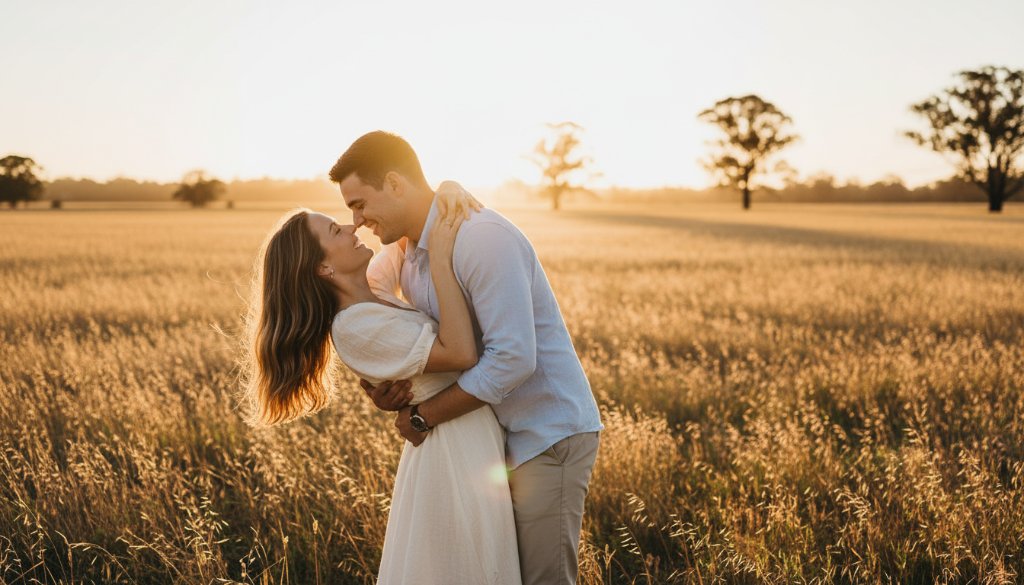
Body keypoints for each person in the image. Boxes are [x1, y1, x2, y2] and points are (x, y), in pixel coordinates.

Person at [329, 131, 604, 585]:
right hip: (496, 441)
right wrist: (384, 383)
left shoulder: (481, 238)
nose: (356, 221)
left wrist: (422, 417)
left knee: (544, 581)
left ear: (395, 184)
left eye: (359, 203)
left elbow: (513, 360)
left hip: (547, 434)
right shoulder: (405, 251)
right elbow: (364, 298)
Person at [243, 184, 521, 584]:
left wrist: (445, 189)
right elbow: (461, 354)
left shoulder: (369, 290)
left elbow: (405, 231)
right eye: (335, 232)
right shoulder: (354, 327)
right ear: (323, 268)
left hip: (467, 437)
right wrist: (441, 259)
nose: (351, 227)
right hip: (451, 452)